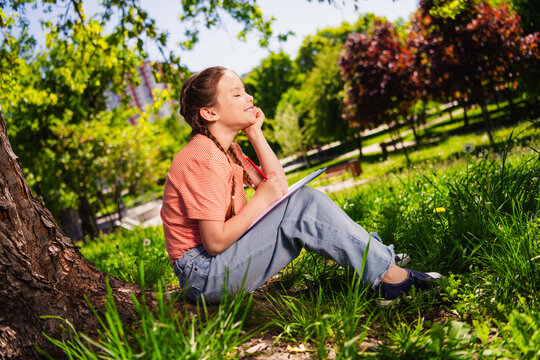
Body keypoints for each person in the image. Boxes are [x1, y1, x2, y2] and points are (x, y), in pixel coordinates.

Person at [160, 66, 440, 303]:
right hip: (203, 275)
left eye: (245, 91)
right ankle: (389, 277)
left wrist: (255, 133)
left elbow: (278, 187)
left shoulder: (228, 149)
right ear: (209, 113)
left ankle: (378, 261)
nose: (250, 97)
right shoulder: (202, 158)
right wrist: (261, 199)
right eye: (237, 94)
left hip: (218, 263)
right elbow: (215, 242)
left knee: (302, 199)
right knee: (303, 206)